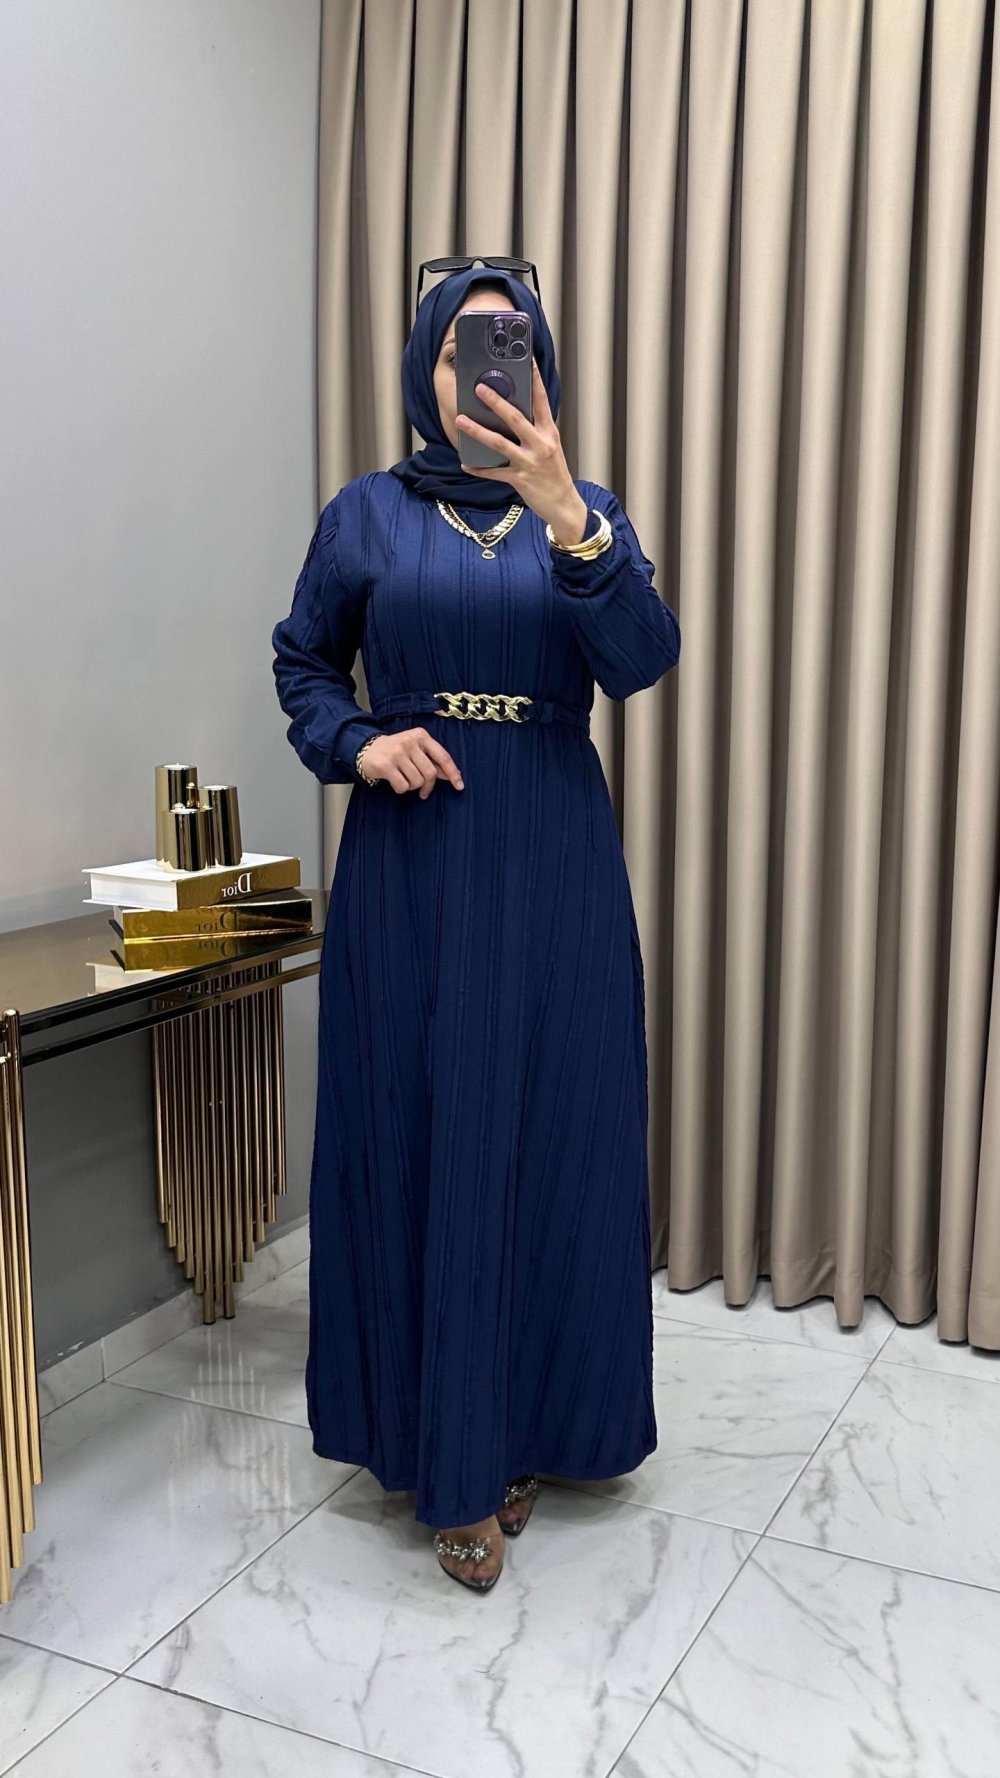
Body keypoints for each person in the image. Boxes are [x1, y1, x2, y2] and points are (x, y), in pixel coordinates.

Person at [271, 262, 681, 1594]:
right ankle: (441, 1445)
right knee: (423, 1126)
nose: (482, 373)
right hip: (416, 859)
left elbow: (644, 658)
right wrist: (358, 742)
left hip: (555, 853)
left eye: (510, 349)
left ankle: (535, 1422)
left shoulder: (585, 510)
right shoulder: (366, 513)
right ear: (423, 372)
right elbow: (302, 660)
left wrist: (569, 515)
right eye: (458, 351)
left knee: (554, 1127)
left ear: (540, 371)